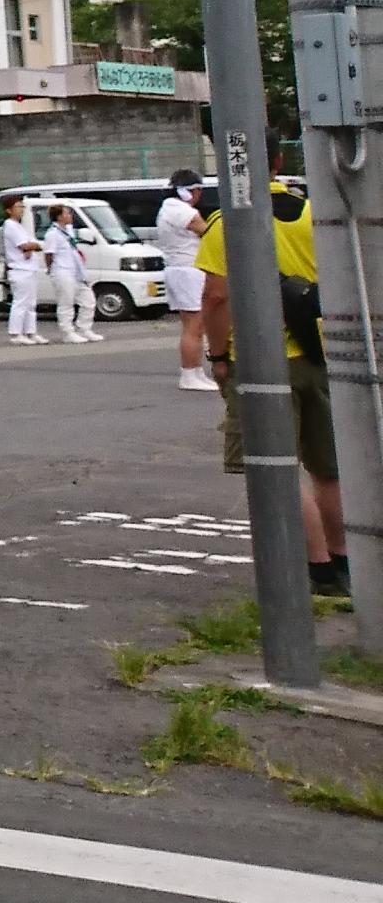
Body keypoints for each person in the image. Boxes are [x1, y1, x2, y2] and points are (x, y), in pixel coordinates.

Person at [199, 186, 349, 599]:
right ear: (280, 161)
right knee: (327, 468)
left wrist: (218, 355)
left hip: (261, 359)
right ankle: (343, 561)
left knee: (274, 466)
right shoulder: (313, 213)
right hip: (317, 354)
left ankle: (317, 568)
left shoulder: (227, 223)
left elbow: (216, 296)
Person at [158, 172, 212, 389]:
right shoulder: (179, 211)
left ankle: (195, 371)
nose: (199, 195)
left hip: (181, 269)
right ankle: (189, 374)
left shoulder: (170, 209)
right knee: (194, 325)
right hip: (187, 269)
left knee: (194, 325)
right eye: (196, 190)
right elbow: (207, 231)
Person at [44, 202, 102, 346]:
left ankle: (84, 328)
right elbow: (48, 254)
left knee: (88, 300)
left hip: (76, 271)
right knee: (66, 303)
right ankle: (67, 332)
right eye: (66, 213)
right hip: (62, 271)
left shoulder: (68, 230)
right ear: (58, 217)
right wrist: (51, 269)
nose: (70, 215)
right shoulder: (52, 234)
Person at [2, 200, 51, 345]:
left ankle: (31, 332)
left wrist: (32, 247)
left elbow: (29, 246)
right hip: (19, 269)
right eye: (18, 207)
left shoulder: (19, 226)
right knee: (21, 302)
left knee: (31, 303)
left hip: (28, 268)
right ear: (9, 210)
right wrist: (35, 246)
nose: (22, 210)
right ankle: (16, 333)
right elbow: (25, 245)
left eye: (22, 207)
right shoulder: (10, 226)